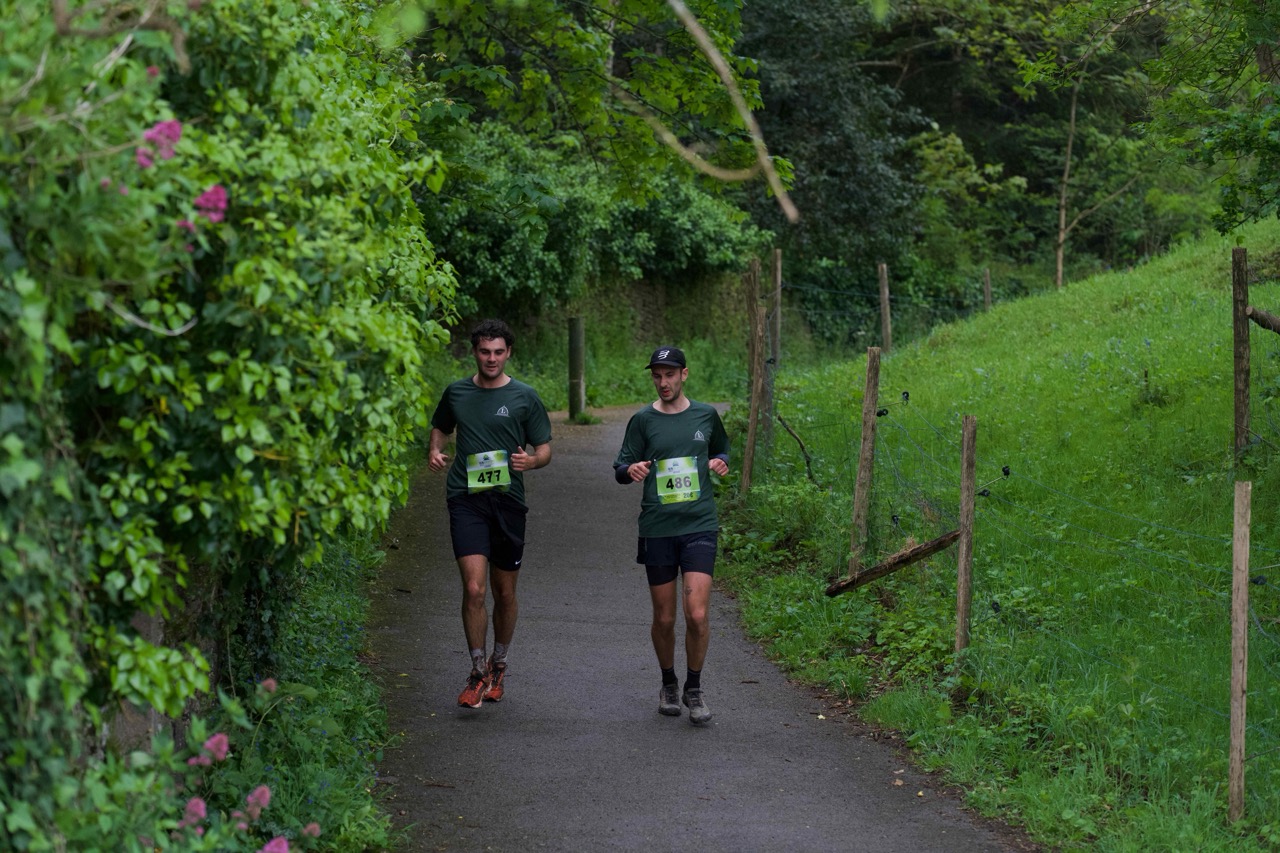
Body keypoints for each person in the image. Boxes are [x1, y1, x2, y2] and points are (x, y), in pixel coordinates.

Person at [428, 319, 552, 709]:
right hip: (466, 499)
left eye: (498, 352)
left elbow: (544, 449)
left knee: (504, 592)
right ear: (474, 352)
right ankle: (477, 670)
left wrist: (531, 462)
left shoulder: (524, 397)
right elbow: (440, 426)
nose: (492, 359)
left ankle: (499, 664)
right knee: (474, 588)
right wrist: (435, 450)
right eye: (485, 352)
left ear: (509, 352)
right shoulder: (457, 392)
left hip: (508, 502)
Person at [613, 346, 730, 726]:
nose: (663, 382)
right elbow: (621, 465)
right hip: (658, 528)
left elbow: (722, 448)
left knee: (697, 613)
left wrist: (721, 461)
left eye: (669, 375)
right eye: (657, 376)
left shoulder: (705, 415)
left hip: (699, 524)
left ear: (684, 374)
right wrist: (630, 470)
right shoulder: (643, 420)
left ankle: (694, 688)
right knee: (664, 619)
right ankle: (668, 683)